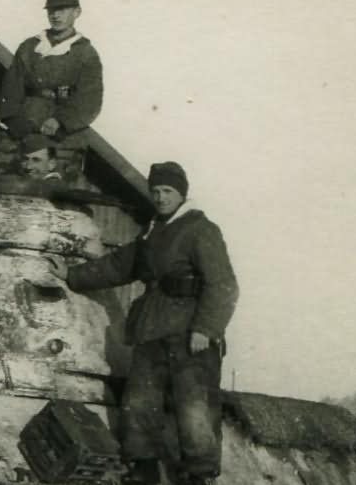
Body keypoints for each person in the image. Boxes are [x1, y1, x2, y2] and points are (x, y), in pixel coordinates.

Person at [47, 162, 239, 485]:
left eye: (168, 192)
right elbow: (121, 265)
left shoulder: (200, 229)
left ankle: (201, 477)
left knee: (195, 411)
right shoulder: (154, 231)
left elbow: (223, 285)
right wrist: (71, 274)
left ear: (182, 194)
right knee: (138, 406)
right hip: (151, 330)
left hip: (190, 333)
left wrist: (205, 329)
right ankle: (143, 473)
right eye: (156, 191)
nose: (161, 197)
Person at [0, 0, 103, 192]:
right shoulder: (29, 47)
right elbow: (11, 88)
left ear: (76, 12)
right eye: (52, 10)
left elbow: (90, 99)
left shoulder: (86, 54)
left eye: (62, 10)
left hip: (62, 132)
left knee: (59, 189)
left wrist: (61, 121)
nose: (56, 16)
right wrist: (15, 121)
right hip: (23, 123)